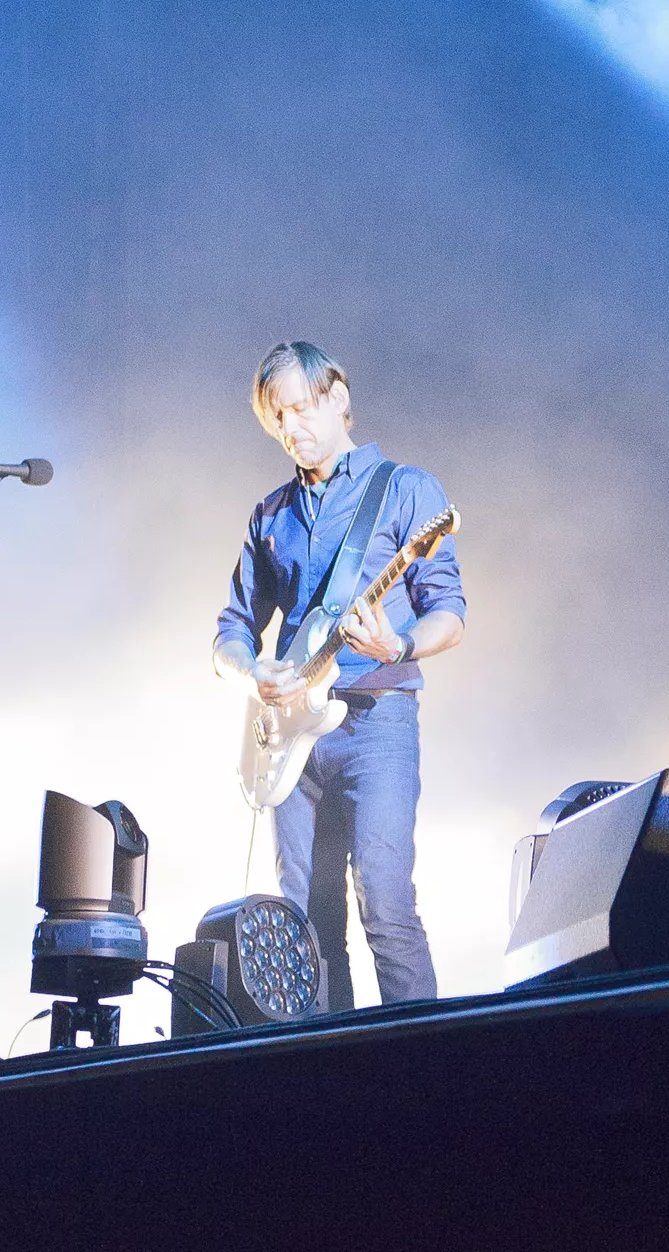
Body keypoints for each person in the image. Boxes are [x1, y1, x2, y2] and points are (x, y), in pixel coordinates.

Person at [214, 341, 466, 1007]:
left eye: (301, 407)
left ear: (339, 397)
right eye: (278, 418)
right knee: (308, 925)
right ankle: (326, 1076)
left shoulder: (407, 491)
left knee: (385, 903)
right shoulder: (269, 516)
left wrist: (399, 645)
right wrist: (251, 675)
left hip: (377, 723)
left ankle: (423, 1066)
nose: (292, 428)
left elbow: (450, 613)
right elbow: (231, 630)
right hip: (293, 738)